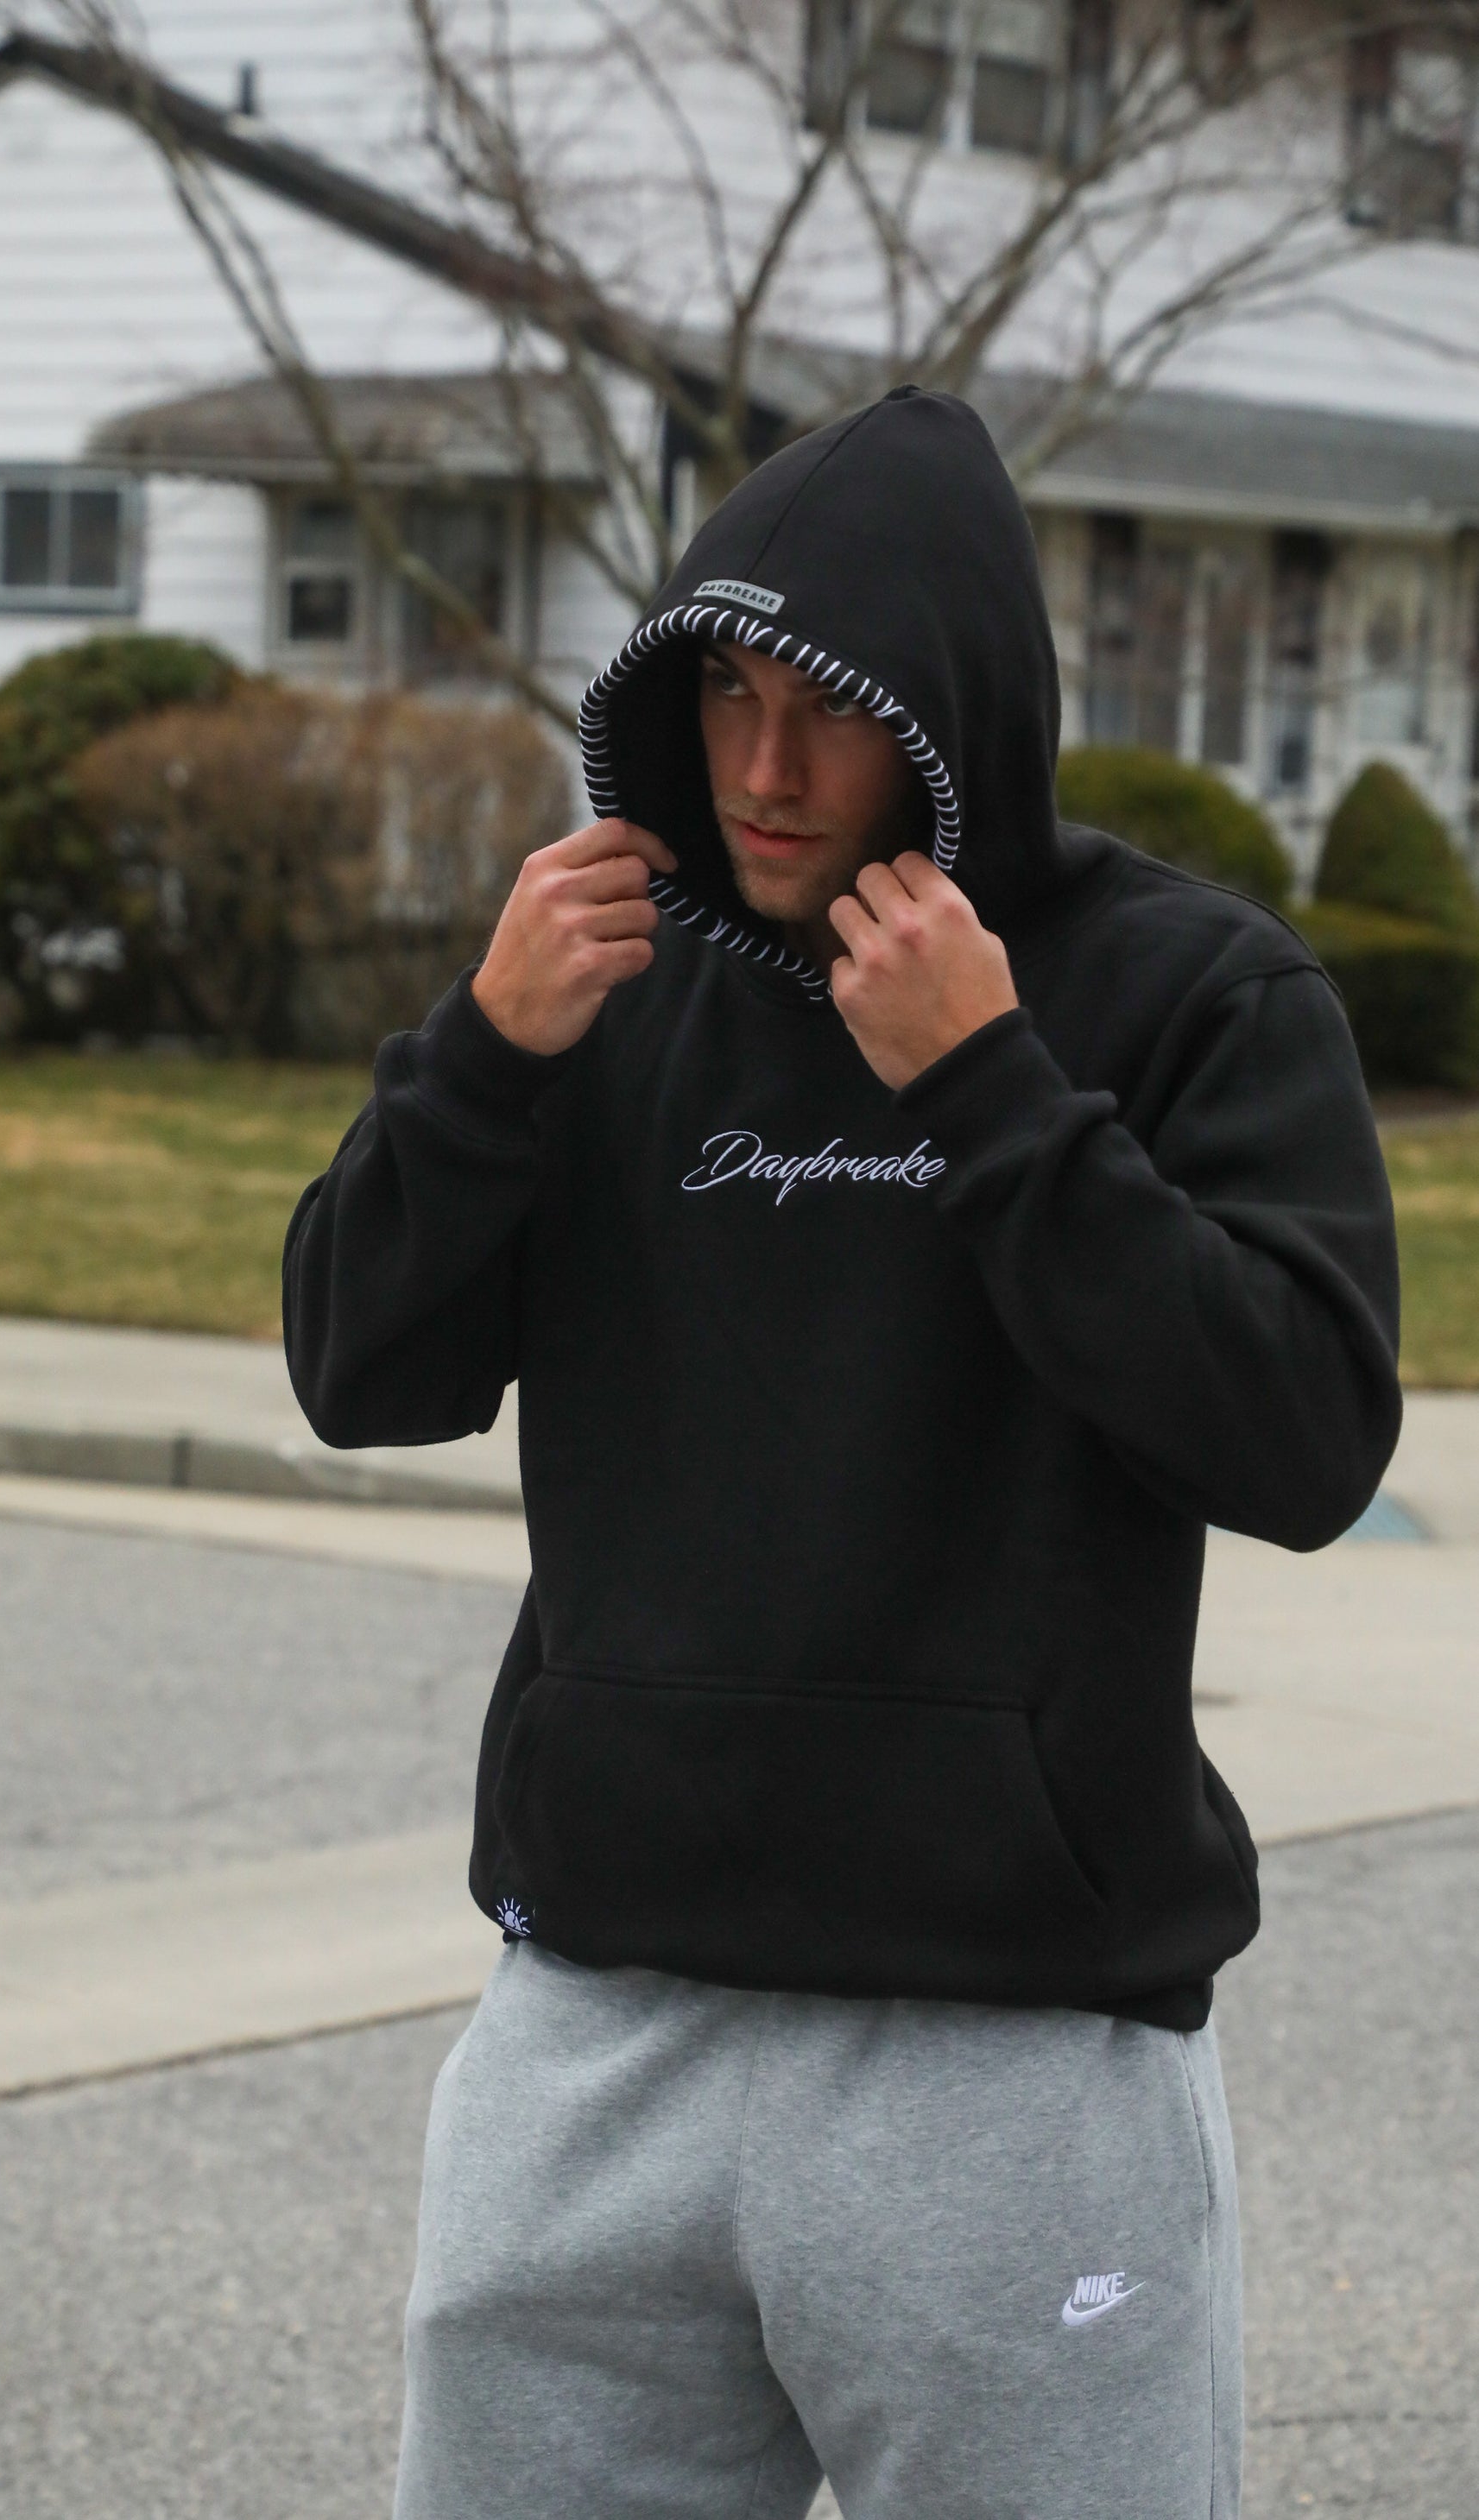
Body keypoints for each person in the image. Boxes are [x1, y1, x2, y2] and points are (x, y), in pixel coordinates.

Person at [283, 388, 1400, 2520]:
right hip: (593, 2028)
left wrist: (989, 1088)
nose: (765, 769)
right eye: (725, 693)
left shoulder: (1189, 992)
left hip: (1011, 2057)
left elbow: (1303, 1439)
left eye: (828, 710)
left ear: (952, 716)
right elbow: (359, 1370)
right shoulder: (599, 987)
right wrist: (480, 1059)